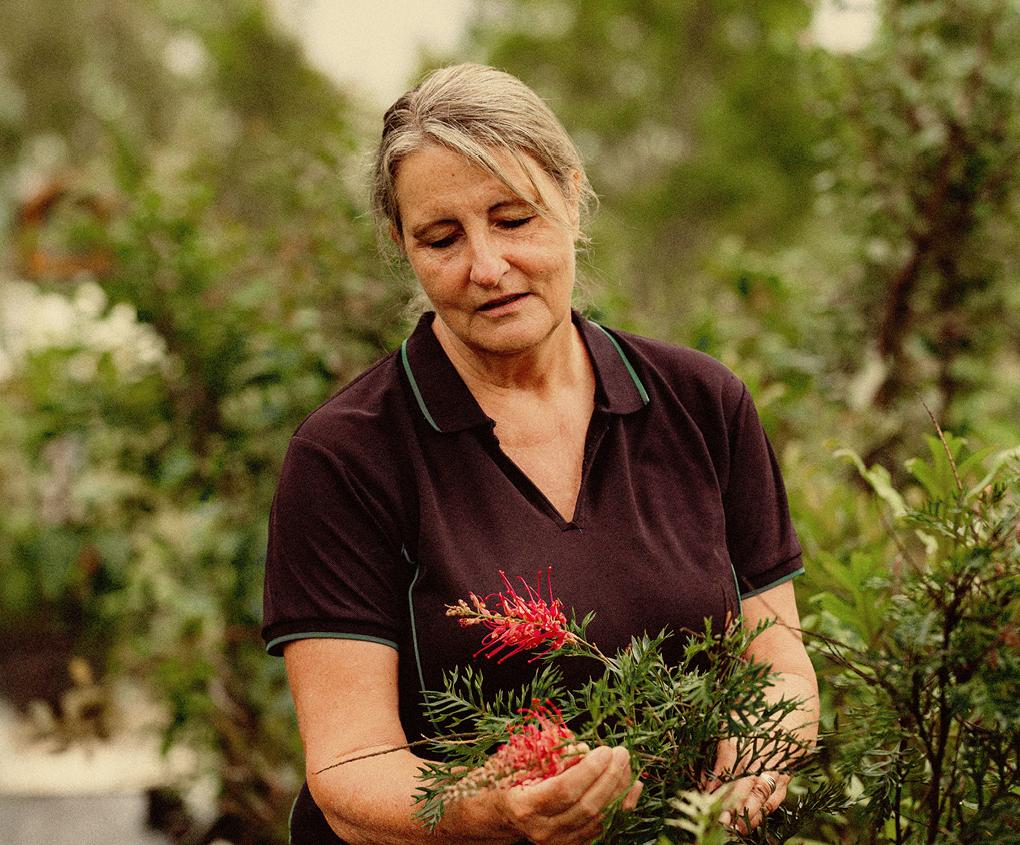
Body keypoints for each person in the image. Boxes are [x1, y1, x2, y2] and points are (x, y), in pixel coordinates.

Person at [262, 63, 819, 845]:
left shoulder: (701, 403)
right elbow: (352, 770)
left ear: (572, 195)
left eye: (513, 218)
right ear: (402, 246)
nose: (486, 267)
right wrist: (489, 809)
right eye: (441, 237)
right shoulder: (347, 454)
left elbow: (782, 671)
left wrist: (749, 774)